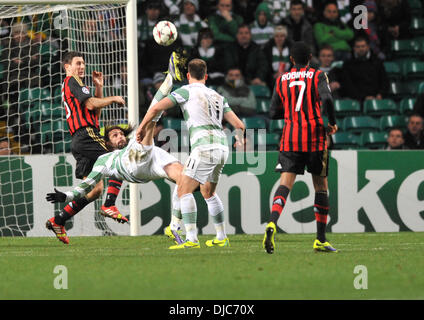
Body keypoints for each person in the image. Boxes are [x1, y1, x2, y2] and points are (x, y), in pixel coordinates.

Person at [137, 58, 246, 249]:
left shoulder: (185, 91)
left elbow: (155, 108)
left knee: (183, 190)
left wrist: (141, 127)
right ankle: (221, 236)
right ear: (206, 75)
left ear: (188, 75)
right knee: (208, 192)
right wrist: (239, 138)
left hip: (204, 147)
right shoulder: (217, 95)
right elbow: (239, 125)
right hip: (222, 148)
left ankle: (191, 239)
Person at [263, 41, 338, 254]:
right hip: (315, 136)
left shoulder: (281, 80)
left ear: (291, 59)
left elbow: (271, 113)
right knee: (320, 186)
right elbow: (327, 100)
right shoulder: (317, 75)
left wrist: (289, 113)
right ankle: (320, 239)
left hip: (290, 137)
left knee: (285, 183)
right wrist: (331, 122)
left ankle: (272, 222)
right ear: (311, 57)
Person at [45, 51, 127, 244]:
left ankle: (58, 221)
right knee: (118, 160)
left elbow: (94, 112)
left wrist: (99, 88)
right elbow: (90, 105)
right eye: (78, 63)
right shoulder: (72, 81)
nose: (82, 67)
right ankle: (109, 205)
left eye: (83, 63)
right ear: (68, 67)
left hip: (80, 140)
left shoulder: (78, 85)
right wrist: (113, 98)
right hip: (86, 135)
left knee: (95, 189)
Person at [341, 36, 389, 102]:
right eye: (358, 47)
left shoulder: (377, 62)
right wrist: (363, 98)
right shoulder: (348, 65)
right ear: (354, 48)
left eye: (363, 46)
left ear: (368, 47)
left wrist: (380, 94)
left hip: (377, 99)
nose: (361, 49)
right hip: (357, 100)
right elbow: (348, 86)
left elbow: (384, 81)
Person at [263, 25, 291, 89]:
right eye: (277, 36)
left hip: (289, 77)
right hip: (272, 79)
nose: (279, 38)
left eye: (282, 36)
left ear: (285, 37)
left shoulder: (291, 48)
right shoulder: (267, 49)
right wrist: (272, 75)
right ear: (274, 37)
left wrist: (288, 74)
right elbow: (265, 66)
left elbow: (295, 65)